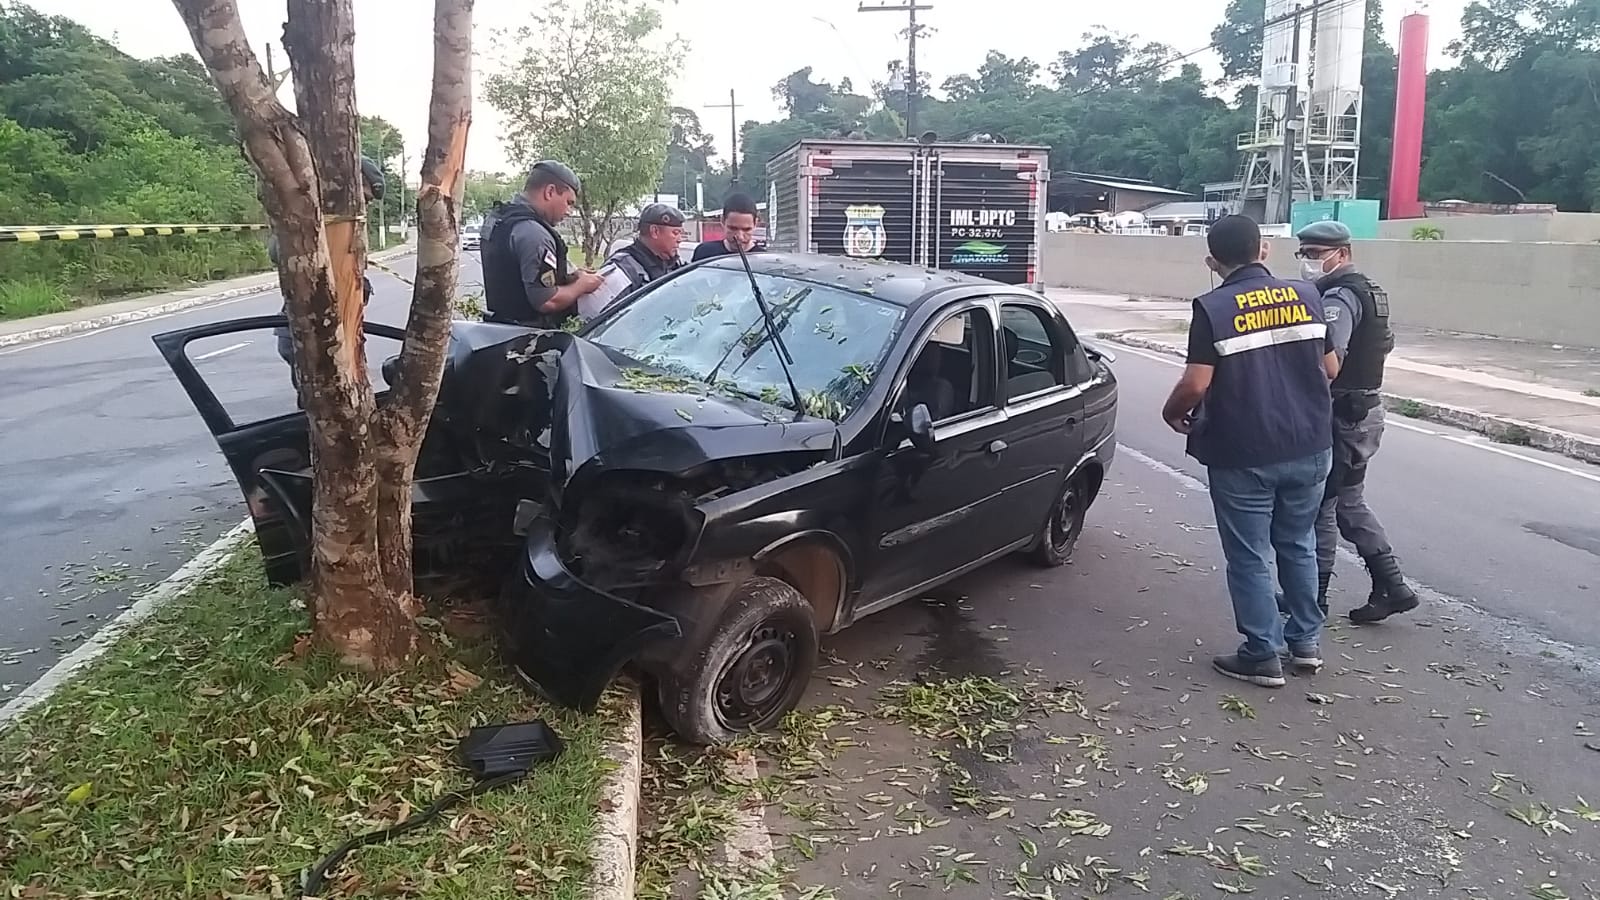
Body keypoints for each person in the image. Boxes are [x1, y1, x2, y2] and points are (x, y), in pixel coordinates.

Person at [1161, 214, 1340, 688]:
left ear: (1212, 261)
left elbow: (1197, 382)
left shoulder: (1214, 307)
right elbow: (1332, 368)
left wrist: (1172, 412)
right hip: (1310, 445)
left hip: (1245, 451)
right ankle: (1305, 644)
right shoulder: (1308, 295)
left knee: (1249, 555)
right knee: (1299, 544)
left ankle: (1262, 653)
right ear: (1263, 250)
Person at [1295, 220, 1420, 625]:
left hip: (1345, 415)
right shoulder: (1371, 291)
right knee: (1347, 503)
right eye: (1304, 254)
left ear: (1342, 254)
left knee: (1326, 507)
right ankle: (1392, 586)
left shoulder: (1340, 298)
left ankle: (1316, 596)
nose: (1308, 262)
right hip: (1363, 412)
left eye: (1315, 255)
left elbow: (1329, 361)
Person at [273, 155, 385, 396]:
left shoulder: (350, 224)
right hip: (306, 330)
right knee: (321, 403)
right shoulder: (310, 210)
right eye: (364, 198)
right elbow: (278, 249)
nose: (365, 206)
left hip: (338, 332)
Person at [480, 159, 605, 328]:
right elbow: (547, 301)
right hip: (527, 341)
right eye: (569, 202)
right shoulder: (534, 233)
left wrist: (569, 278)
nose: (569, 212)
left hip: (498, 330)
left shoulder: (498, 218)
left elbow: (515, 273)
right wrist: (581, 286)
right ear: (550, 191)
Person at [582, 203, 686, 319]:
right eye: (675, 233)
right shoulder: (622, 271)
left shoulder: (676, 265)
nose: (679, 240)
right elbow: (590, 318)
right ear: (655, 231)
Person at [691, 191, 765, 261]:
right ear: (722, 221)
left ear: (755, 223)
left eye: (746, 229)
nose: (739, 236)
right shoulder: (704, 253)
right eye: (733, 228)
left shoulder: (764, 260)